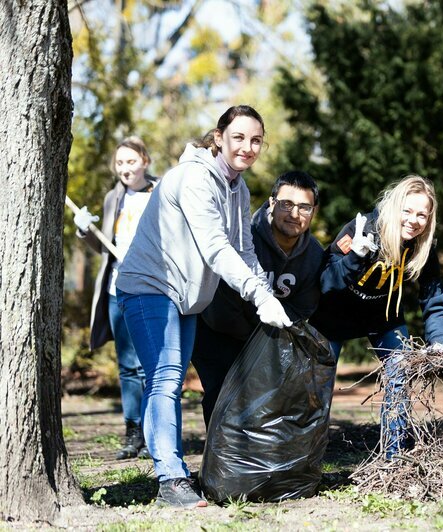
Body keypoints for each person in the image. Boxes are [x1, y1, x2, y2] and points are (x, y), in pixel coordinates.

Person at [115, 105, 292, 509]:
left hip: (189, 298)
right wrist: (259, 296)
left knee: (172, 378)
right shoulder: (195, 178)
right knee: (165, 377)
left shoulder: (239, 187)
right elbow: (214, 247)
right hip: (149, 286)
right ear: (219, 138)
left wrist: (265, 292)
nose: (248, 147)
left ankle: (181, 472)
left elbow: (245, 250)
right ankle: (170, 480)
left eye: (256, 140)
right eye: (239, 138)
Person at [310, 175, 443, 460]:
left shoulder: (422, 247)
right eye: (407, 211)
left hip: (382, 317)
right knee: (317, 389)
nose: (413, 220)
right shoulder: (362, 229)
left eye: (422, 215)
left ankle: (394, 455)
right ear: (394, 206)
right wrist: (355, 257)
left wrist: (438, 339)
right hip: (333, 318)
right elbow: (325, 281)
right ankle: (307, 459)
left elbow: (433, 295)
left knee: (400, 374)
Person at [192, 170, 324, 428]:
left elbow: (303, 307)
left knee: (271, 399)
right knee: (223, 394)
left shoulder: (314, 255)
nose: (294, 214)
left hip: (270, 338)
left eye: (304, 207)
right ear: (272, 203)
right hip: (217, 328)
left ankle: (261, 461)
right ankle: (223, 463)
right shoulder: (243, 238)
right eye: (286, 204)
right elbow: (224, 301)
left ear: (313, 211)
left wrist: (268, 344)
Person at [73, 137, 158, 460]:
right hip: (116, 291)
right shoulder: (114, 198)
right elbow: (104, 249)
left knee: (152, 366)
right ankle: (132, 433)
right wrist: (85, 231)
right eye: (120, 163)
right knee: (127, 366)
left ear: (145, 161)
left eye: (131, 161)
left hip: (151, 290)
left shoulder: (161, 193)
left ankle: (154, 432)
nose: (125, 169)